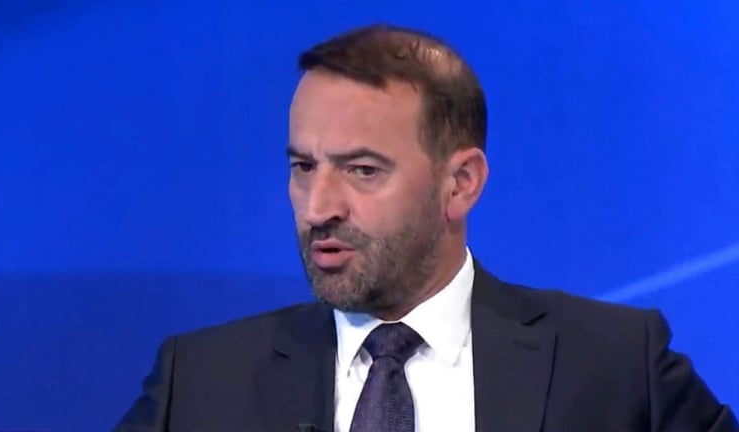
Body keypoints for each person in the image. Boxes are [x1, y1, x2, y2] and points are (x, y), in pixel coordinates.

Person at [114, 24, 737, 432]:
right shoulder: (200, 382)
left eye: (362, 170)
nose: (317, 207)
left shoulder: (613, 365)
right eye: (303, 167)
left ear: (460, 183)